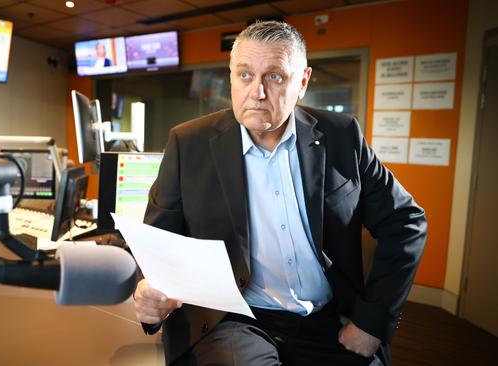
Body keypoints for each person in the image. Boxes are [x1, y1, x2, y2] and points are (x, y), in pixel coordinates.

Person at [133, 20, 427, 366]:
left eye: (274, 76)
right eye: (244, 75)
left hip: (329, 321)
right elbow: (158, 241)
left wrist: (372, 321)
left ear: (301, 82)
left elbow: (406, 221)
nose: (257, 92)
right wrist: (146, 291)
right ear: (231, 78)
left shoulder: (341, 136)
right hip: (235, 318)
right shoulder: (189, 143)